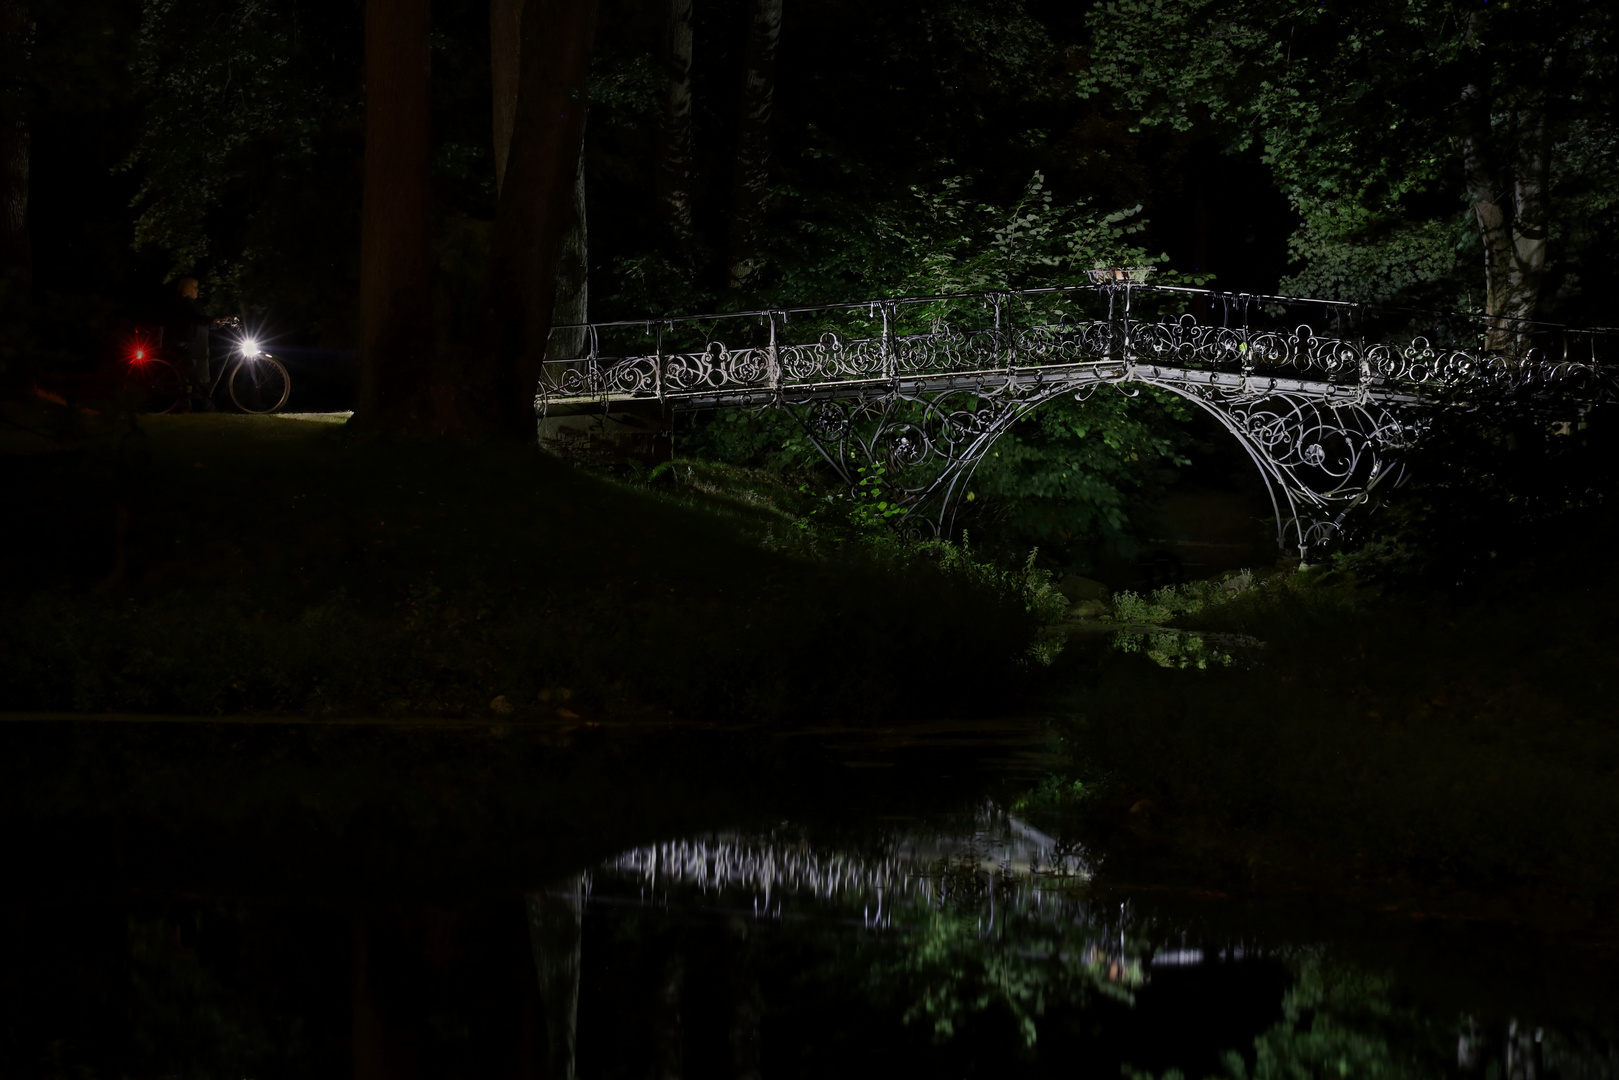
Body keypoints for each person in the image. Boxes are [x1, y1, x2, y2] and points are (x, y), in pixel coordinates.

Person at [163, 277, 233, 411]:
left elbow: (203, 323)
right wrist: (216, 320)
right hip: (194, 347)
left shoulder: (191, 304)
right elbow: (198, 319)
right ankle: (206, 408)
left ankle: (193, 407)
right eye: (194, 287)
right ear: (187, 289)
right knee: (201, 379)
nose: (197, 290)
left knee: (196, 380)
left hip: (197, 345)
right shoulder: (185, 304)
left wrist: (220, 322)